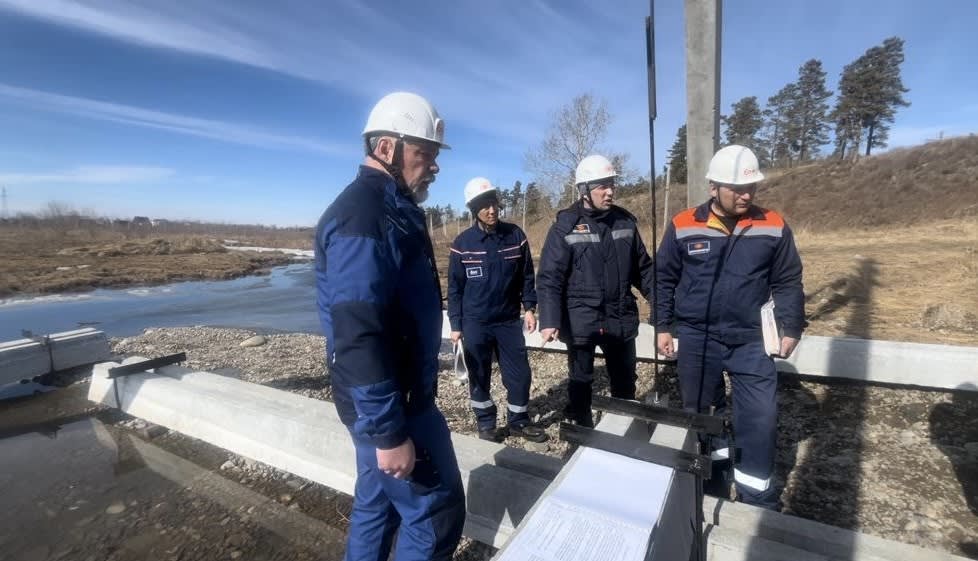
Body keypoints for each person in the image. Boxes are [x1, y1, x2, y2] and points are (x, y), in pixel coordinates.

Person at [314, 92, 465, 561]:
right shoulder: (366, 215)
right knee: (435, 516)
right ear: (386, 147)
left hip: (379, 398)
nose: (434, 166)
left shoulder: (389, 208)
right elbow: (358, 330)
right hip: (393, 404)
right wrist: (389, 432)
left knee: (377, 506)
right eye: (425, 153)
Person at [654, 144, 805, 510]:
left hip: (752, 340)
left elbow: (788, 280)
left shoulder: (773, 225)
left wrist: (791, 326)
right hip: (697, 337)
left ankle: (758, 499)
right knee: (703, 416)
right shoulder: (683, 224)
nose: (746, 195)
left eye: (751, 187)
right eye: (737, 189)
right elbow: (663, 279)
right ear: (714, 187)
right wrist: (662, 326)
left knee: (759, 419)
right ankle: (712, 485)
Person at [537, 154, 655, 428]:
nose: (610, 191)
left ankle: (623, 428)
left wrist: (662, 307)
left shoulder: (625, 223)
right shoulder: (566, 226)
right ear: (584, 190)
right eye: (602, 186)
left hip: (620, 316)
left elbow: (644, 270)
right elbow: (550, 277)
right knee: (581, 380)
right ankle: (582, 427)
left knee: (625, 380)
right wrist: (550, 320)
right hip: (581, 319)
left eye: (612, 184)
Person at [447, 177, 547, 444]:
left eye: (494, 204)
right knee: (479, 375)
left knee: (520, 374)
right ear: (474, 210)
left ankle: (519, 421)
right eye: (484, 206)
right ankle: (486, 423)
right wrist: (455, 326)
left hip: (508, 320)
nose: (491, 210)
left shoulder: (515, 236)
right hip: (475, 322)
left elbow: (527, 276)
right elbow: (455, 288)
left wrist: (529, 308)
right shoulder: (462, 243)